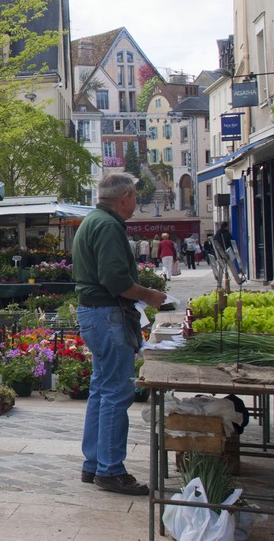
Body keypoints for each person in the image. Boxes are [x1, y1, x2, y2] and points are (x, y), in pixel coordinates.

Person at [72, 172, 166, 496]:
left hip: (95, 314)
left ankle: (94, 464)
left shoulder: (93, 220)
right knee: (116, 392)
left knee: (102, 389)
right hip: (106, 314)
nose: (136, 202)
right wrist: (150, 295)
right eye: (135, 196)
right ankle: (110, 470)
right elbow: (116, 281)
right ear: (124, 197)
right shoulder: (108, 225)